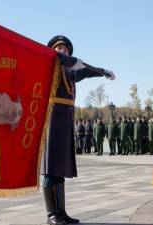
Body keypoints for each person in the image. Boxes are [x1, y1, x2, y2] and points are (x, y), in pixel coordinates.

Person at [42, 35, 115, 225]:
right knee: (50, 169)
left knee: (60, 169)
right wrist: (71, 60)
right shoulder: (47, 64)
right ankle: (52, 215)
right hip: (51, 120)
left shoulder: (70, 72)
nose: (61, 50)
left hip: (65, 120)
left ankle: (61, 212)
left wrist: (103, 71)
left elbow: (86, 71)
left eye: (65, 48)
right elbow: (56, 58)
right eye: (58, 48)